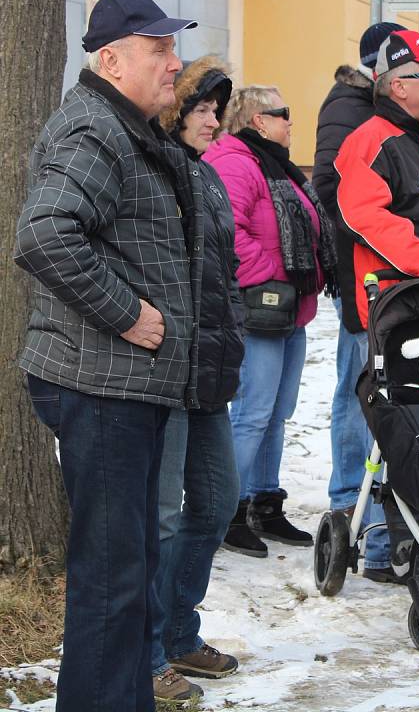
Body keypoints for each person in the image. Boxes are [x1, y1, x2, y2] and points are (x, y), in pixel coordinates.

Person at [14, 0, 200, 712]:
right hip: (102, 386)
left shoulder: (127, 127)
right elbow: (44, 235)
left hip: (128, 388)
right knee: (112, 579)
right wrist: (127, 315)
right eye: (159, 50)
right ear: (113, 59)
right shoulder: (94, 129)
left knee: (132, 570)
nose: (174, 62)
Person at [335, 30, 419, 572]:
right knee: (401, 430)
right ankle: (390, 550)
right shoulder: (373, 139)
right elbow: (362, 213)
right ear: (397, 84)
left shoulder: (415, 139)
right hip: (399, 308)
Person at [204, 85, 337, 557]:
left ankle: (265, 501)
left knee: (277, 413)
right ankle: (228, 511)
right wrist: (269, 278)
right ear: (258, 119)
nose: (290, 122)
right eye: (284, 113)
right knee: (253, 413)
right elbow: (225, 229)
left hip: (289, 309)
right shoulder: (236, 161)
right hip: (261, 309)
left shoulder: (274, 165)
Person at [148, 56, 245, 705]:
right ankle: (150, 650)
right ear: (176, 109)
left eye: (217, 109)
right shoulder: (153, 173)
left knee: (216, 502)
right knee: (158, 518)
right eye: (203, 108)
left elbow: (224, 278)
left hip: (207, 374)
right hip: (158, 374)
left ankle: (181, 630)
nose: (213, 119)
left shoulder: (208, 179)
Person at [313, 21, 404, 584]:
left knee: (383, 401)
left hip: (393, 288)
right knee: (356, 398)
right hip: (364, 285)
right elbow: (334, 187)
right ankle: (349, 511)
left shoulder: (381, 114)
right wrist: (386, 228)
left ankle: (380, 523)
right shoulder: (350, 108)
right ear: (379, 68)